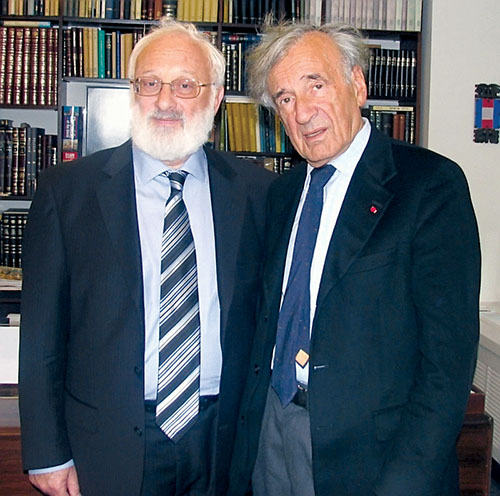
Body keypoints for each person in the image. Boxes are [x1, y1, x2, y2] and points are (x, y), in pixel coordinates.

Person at [19, 19, 273, 496]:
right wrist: (47, 452)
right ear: (133, 92)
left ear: (216, 98)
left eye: (185, 85)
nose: (165, 100)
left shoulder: (259, 192)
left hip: (224, 438)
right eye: (150, 83)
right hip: (107, 441)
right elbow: (40, 335)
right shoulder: (67, 192)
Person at [228, 21, 481, 496]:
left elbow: (446, 368)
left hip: (371, 459)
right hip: (271, 436)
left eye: (316, 85)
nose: (303, 112)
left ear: (358, 85)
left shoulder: (428, 186)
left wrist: (406, 483)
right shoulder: (281, 194)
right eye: (285, 99)